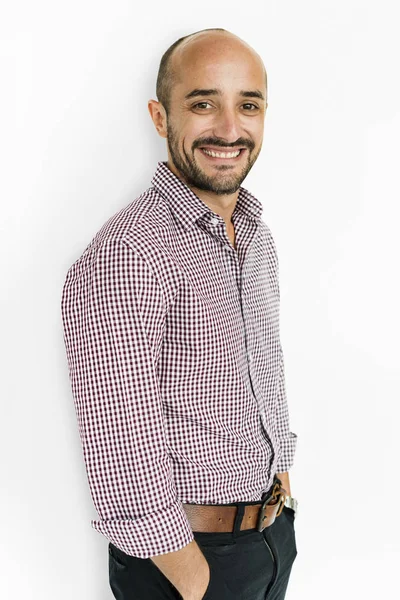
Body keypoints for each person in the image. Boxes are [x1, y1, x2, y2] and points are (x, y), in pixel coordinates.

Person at [61, 27, 298, 600]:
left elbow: (264, 366)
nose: (229, 128)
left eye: (249, 105)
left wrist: (282, 480)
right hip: (187, 566)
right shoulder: (130, 251)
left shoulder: (255, 236)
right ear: (161, 117)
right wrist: (194, 581)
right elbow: (119, 441)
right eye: (203, 103)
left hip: (269, 538)